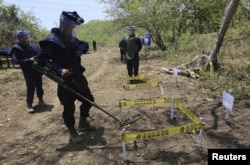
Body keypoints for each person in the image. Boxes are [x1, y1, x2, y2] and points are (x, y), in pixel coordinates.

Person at [36, 11, 95, 144]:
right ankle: (72, 131)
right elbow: (41, 59)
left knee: (89, 100)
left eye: (74, 27)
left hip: (78, 77)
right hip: (64, 80)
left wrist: (81, 49)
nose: (72, 29)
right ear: (63, 24)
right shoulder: (52, 40)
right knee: (69, 107)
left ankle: (83, 121)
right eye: (70, 26)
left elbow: (84, 44)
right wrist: (58, 69)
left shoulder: (71, 38)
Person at [12, 30, 46, 113]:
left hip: (38, 70)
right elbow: (16, 60)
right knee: (31, 88)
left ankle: (41, 100)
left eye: (27, 37)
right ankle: (29, 104)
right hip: (28, 71)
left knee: (39, 86)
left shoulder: (34, 46)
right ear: (20, 38)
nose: (26, 39)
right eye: (24, 37)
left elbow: (39, 55)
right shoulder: (17, 48)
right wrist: (28, 60)